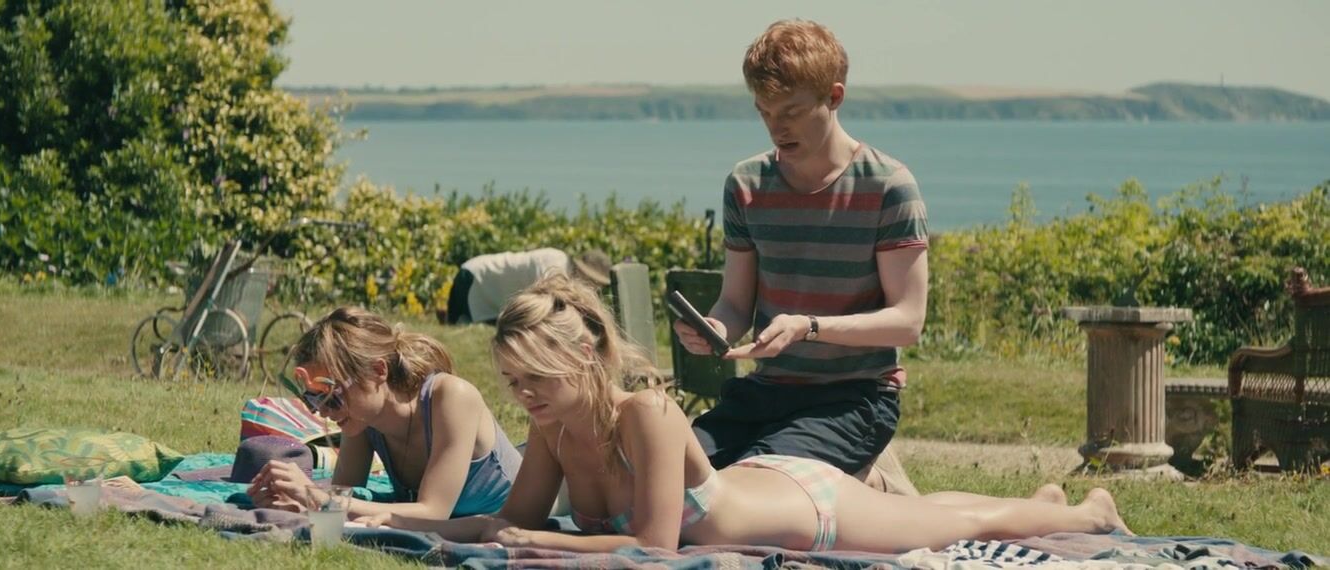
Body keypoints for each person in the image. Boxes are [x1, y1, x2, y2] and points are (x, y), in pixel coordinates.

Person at [373, 273, 1130, 553]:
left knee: (959, 528)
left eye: (537, 377)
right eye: (513, 380)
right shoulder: (554, 428)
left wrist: (540, 542)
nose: (523, 395)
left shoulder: (646, 414)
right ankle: (1042, 503)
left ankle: (1087, 513)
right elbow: (506, 522)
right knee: (932, 511)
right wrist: (387, 520)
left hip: (807, 506)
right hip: (765, 482)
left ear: (586, 358)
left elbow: (654, 548)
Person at [673, 19, 927, 493]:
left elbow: (908, 322)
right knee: (666, 476)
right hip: (766, 394)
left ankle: (872, 485)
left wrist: (808, 327)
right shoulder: (746, 184)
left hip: (854, 399)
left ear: (834, 96)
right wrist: (714, 329)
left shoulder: (889, 186)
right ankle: (861, 485)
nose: (777, 127)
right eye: (764, 112)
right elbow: (735, 305)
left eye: (791, 111)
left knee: (746, 491)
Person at [248, 306, 523, 523]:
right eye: (312, 398)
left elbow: (433, 511)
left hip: (532, 509)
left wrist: (315, 496)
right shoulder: (362, 419)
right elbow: (343, 494)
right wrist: (299, 503)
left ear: (379, 371)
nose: (321, 410)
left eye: (331, 395)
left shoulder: (452, 397)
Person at [444, 247, 612, 325]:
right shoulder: (557, 264)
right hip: (474, 278)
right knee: (455, 324)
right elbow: (549, 301)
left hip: (492, 288)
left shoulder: (563, 268)